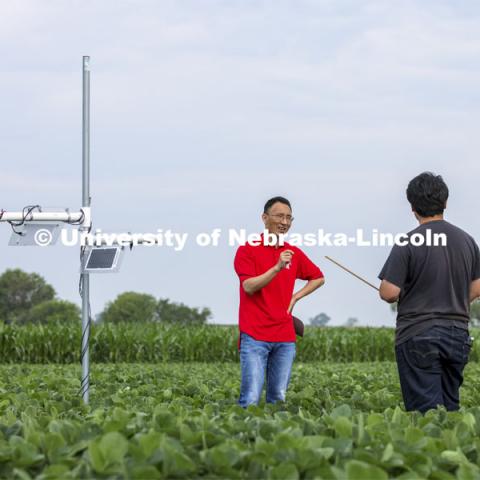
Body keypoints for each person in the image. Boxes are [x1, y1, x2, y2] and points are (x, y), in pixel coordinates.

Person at [378, 172, 480, 413]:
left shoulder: (407, 242)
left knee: (426, 414)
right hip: (457, 333)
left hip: (417, 333)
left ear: (412, 207)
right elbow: (477, 287)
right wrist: (454, 300)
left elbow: (389, 292)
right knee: (450, 407)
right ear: (445, 202)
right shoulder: (466, 241)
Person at [234, 196, 325, 407]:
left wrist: (295, 297)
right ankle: (244, 438)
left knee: (278, 399)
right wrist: (276, 268)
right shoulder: (247, 250)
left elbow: (318, 278)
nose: (284, 222)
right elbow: (248, 286)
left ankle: (275, 437)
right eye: (279, 216)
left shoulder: (293, 253)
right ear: (265, 218)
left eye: (289, 218)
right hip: (255, 335)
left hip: (285, 337)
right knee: (250, 398)